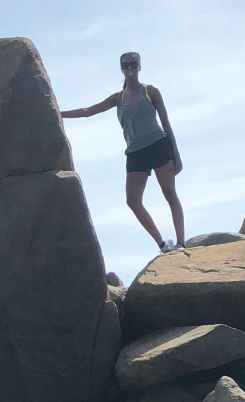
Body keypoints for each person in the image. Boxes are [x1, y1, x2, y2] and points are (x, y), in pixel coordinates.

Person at [61, 52, 186, 253]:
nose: (130, 68)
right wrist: (58, 114)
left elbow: (166, 123)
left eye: (133, 64)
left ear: (139, 66)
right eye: (126, 65)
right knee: (133, 201)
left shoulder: (150, 91)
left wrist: (176, 155)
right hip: (135, 152)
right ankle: (163, 244)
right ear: (121, 69)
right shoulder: (117, 98)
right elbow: (87, 112)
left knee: (169, 192)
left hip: (158, 145)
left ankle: (181, 243)